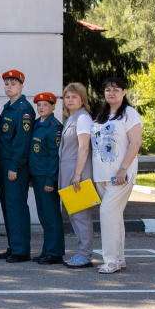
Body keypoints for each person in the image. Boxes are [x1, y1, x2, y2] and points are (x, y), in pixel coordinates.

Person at [90, 77, 143, 274]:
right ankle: (119, 259)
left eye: (115, 89)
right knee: (115, 216)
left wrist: (123, 169)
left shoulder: (129, 113)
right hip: (101, 175)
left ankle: (110, 261)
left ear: (124, 92)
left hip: (120, 174)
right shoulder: (101, 116)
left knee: (106, 213)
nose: (111, 93)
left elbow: (135, 143)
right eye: (107, 90)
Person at [0, 69, 35, 263]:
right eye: (6, 84)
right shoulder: (9, 107)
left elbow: (21, 141)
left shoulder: (24, 109)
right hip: (4, 164)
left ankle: (21, 250)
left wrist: (14, 166)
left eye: (13, 84)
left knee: (17, 207)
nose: (9, 87)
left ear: (21, 86)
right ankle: (14, 246)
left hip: (15, 165)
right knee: (8, 207)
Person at [59, 82, 95, 269]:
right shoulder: (72, 118)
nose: (70, 100)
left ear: (82, 99)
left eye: (74, 96)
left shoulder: (82, 119)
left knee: (81, 215)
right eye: (67, 97)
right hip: (69, 174)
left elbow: (84, 147)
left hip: (77, 174)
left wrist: (77, 174)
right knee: (74, 215)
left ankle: (85, 255)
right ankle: (82, 252)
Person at [29, 92, 65, 264]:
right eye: (39, 105)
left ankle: (55, 252)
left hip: (46, 178)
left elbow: (54, 156)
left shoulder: (54, 127)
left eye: (45, 105)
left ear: (53, 107)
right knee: (43, 215)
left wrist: (51, 180)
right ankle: (47, 250)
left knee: (51, 215)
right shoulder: (37, 124)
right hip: (37, 176)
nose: (41, 108)